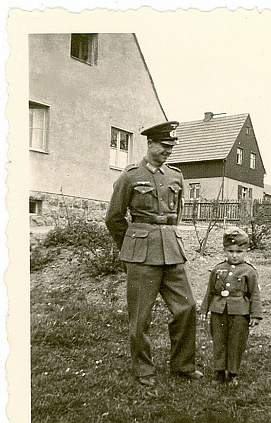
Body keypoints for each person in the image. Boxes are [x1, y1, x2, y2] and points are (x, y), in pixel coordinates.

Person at [105, 120, 203, 386]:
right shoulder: (130, 176)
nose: (168, 151)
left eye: (171, 147)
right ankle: (143, 369)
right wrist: (131, 246)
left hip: (171, 250)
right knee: (140, 315)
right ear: (150, 144)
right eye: (164, 146)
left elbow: (177, 213)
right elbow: (114, 218)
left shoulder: (175, 176)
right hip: (140, 253)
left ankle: (182, 365)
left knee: (187, 307)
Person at [200, 227, 262, 385]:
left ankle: (233, 373)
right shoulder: (217, 269)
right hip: (218, 310)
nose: (234, 255)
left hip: (240, 312)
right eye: (231, 251)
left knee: (236, 342)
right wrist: (204, 310)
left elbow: (254, 294)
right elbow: (210, 291)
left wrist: (255, 315)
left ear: (245, 251)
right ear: (225, 250)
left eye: (239, 252)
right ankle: (219, 372)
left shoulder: (249, 271)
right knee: (219, 341)